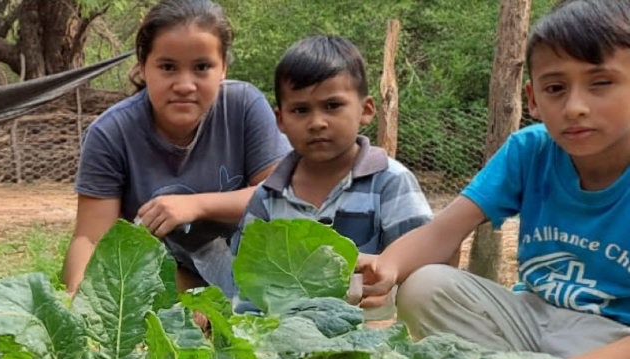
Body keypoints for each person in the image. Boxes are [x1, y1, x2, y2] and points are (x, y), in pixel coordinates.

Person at [356, 0, 630, 359]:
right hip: (533, 321)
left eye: (601, 82)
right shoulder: (530, 150)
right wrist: (388, 267)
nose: (575, 106)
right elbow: (444, 230)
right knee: (424, 285)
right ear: (531, 97)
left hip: (616, 347)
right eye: (555, 87)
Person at [64, 0, 291, 298]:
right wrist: (79, 301)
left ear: (223, 68)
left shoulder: (244, 106)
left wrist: (195, 206)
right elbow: (91, 238)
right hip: (160, 277)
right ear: (144, 67)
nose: (185, 85)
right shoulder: (111, 133)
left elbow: (282, 197)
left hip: (250, 269)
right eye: (168, 67)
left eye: (202, 67)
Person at [231, 35, 435, 313]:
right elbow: (248, 289)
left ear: (366, 110)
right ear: (280, 120)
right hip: (287, 342)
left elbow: (425, 269)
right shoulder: (266, 198)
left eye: (332, 106)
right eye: (300, 110)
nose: (317, 123)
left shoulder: (391, 182)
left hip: (377, 338)